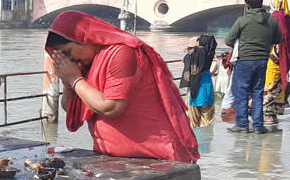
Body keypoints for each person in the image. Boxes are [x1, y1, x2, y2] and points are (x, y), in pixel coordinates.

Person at [46, 10, 199, 163]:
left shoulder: (123, 53)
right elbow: (70, 108)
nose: (70, 59)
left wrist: (75, 79)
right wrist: (68, 83)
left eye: (68, 52)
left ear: (86, 38)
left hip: (154, 157)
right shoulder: (87, 64)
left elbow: (111, 107)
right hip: (114, 159)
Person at [224, 0, 283, 133]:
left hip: (244, 61)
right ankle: (258, 125)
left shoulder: (242, 20)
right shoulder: (271, 20)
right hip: (263, 61)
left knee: (241, 92)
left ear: (248, 5)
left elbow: (228, 40)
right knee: (258, 93)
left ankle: (242, 125)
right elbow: (278, 40)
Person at [180, 35, 217, 128]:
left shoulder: (196, 52)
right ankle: (205, 125)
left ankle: (196, 127)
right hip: (207, 81)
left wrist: (191, 47)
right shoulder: (210, 52)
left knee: (194, 110)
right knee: (207, 109)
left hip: (196, 82)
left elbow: (186, 59)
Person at [265, 0, 290, 124]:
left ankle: (268, 113)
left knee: (270, 83)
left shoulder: (275, 17)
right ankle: (275, 113)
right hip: (284, 57)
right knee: (279, 84)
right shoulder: (287, 17)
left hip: (274, 55)